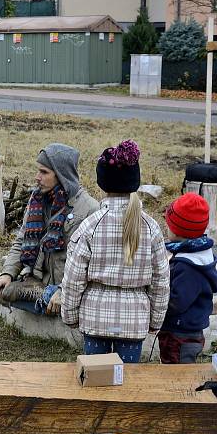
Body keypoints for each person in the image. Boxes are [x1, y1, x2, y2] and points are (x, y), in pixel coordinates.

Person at [60, 139, 170, 363]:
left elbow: (73, 278)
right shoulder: (151, 228)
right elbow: (161, 281)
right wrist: (155, 321)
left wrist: (69, 315)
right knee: (126, 381)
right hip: (134, 321)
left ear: (102, 182)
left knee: (95, 378)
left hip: (94, 319)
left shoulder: (90, 226)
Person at [0, 143, 99, 315]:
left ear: (62, 176)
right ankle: (38, 295)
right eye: (38, 170)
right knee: (2, 289)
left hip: (67, 286)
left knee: (12, 294)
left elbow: (92, 264)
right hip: (38, 279)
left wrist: (64, 290)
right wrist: (7, 274)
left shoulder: (89, 209)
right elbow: (22, 240)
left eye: (44, 172)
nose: (37, 177)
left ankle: (49, 299)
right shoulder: (37, 199)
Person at [159, 193, 217, 364]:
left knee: (178, 372)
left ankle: (181, 391)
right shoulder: (195, 252)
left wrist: (156, 302)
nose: (166, 228)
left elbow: (177, 302)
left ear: (179, 231)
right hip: (183, 331)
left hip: (180, 334)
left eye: (169, 225)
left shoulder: (189, 267)